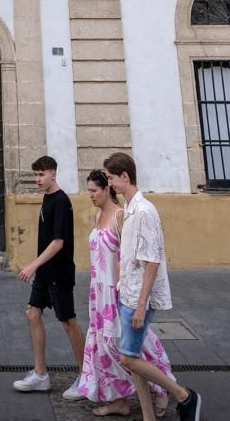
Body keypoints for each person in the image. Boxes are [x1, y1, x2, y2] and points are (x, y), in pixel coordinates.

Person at [102, 153, 203, 421]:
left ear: (125, 176)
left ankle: (184, 396)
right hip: (128, 292)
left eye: (111, 178)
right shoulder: (131, 209)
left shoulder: (145, 211)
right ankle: (148, 416)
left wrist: (140, 304)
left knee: (128, 359)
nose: (109, 183)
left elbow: (152, 261)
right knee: (133, 358)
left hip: (137, 297)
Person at [72, 168, 175, 417]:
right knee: (106, 346)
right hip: (99, 292)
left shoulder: (120, 215)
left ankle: (164, 387)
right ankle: (118, 399)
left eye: (94, 191)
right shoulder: (99, 215)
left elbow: (127, 256)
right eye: (89, 191)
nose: (91, 196)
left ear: (107, 189)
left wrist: (122, 291)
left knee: (134, 345)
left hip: (116, 291)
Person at [13, 155, 86, 393]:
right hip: (45, 273)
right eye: (35, 175)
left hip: (59, 272)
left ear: (53, 174)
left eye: (42, 174)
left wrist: (32, 265)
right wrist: (38, 268)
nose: (38, 179)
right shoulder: (47, 198)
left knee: (68, 322)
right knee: (33, 314)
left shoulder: (61, 201)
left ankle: (87, 376)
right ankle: (40, 374)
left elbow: (58, 243)